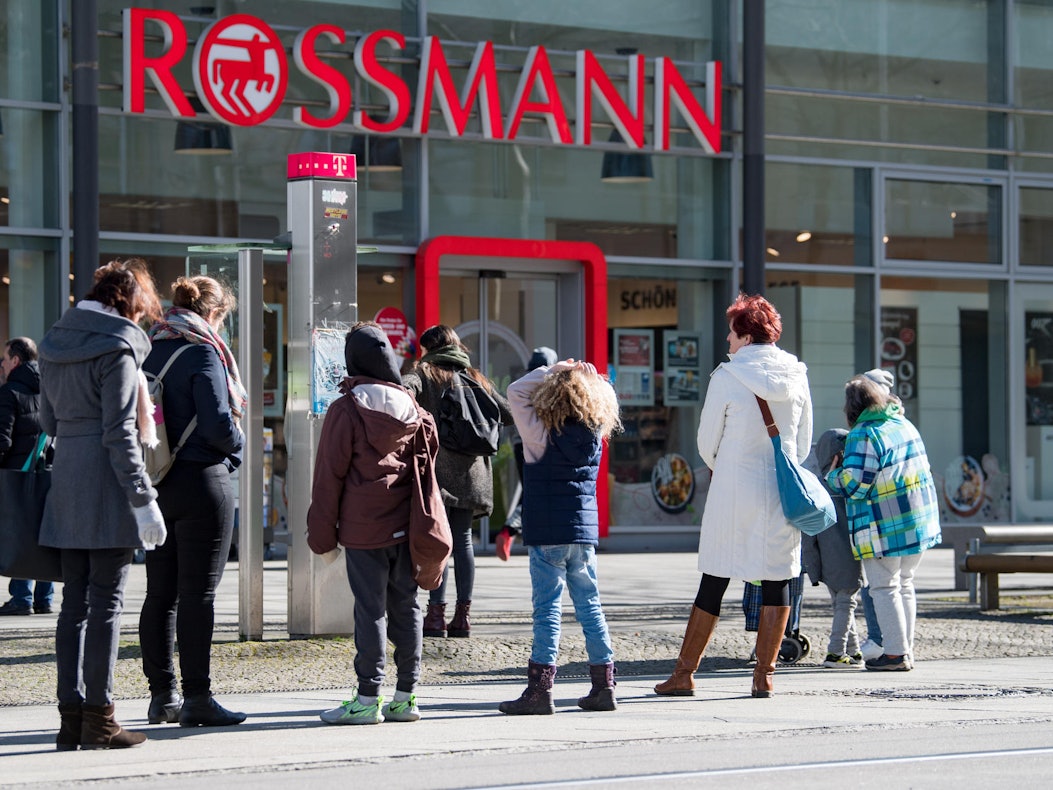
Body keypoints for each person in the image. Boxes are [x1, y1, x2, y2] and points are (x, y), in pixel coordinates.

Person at [654, 293, 813, 699]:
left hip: (733, 489)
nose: (727, 340)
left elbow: (707, 442)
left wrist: (725, 462)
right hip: (779, 490)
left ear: (744, 335)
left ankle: (685, 673)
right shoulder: (797, 375)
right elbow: (805, 443)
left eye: (731, 331)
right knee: (777, 577)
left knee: (715, 576)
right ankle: (764, 676)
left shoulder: (727, 377)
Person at [38, 259, 167, 750]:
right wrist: (143, 499)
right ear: (131, 304)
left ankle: (70, 719)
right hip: (110, 484)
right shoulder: (118, 346)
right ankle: (100, 717)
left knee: (73, 606)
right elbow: (119, 432)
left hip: (67, 478)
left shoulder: (55, 342)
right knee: (106, 605)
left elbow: (49, 421)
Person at [308, 322, 438, 724]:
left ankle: (367, 700)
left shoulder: (346, 410)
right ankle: (406, 697)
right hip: (408, 525)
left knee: (370, 611)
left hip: (364, 528)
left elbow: (328, 477)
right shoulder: (417, 412)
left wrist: (321, 536)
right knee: (407, 607)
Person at [138, 276, 247, 728]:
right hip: (203, 481)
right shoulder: (204, 350)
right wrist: (238, 446)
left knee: (159, 594)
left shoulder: (151, 347)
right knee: (197, 594)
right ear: (215, 313)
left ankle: (162, 695)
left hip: (157, 481)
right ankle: (198, 699)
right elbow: (219, 423)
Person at [500, 359, 622, 715]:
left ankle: (540, 690)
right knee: (590, 606)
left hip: (547, 531)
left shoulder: (539, 432)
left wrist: (553, 369)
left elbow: (515, 391)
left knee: (547, 610)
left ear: (550, 397)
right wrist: (591, 378)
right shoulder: (596, 431)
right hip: (582, 533)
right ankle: (604, 685)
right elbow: (608, 398)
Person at [826, 374, 942, 671]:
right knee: (905, 583)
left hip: (883, 527)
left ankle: (895, 653)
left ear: (853, 407)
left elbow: (856, 484)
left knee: (884, 588)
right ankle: (905, 649)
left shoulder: (864, 433)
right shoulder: (903, 424)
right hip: (917, 520)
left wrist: (833, 475)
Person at [402, 325, 511, 638]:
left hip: (439, 472)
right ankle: (463, 617)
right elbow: (507, 413)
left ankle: (435, 614)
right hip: (474, 472)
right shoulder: (476, 377)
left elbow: (405, 388)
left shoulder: (425, 373)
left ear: (429, 348)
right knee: (463, 540)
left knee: (440, 541)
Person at [0, 337, 55, 617]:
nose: (2, 365)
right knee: (42, 533)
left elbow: (2, 440)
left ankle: (21, 597)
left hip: (16, 474)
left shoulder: (9, 393)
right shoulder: (49, 389)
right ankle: (44, 598)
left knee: (19, 534)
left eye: (4, 359)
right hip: (47, 473)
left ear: (16, 361)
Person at [802, 428, 865, 668]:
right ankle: (835, 652)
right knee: (847, 602)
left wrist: (814, 566)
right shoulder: (845, 487)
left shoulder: (816, 488)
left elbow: (810, 535)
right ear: (841, 456)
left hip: (826, 560)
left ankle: (854, 650)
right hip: (847, 556)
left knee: (840, 602)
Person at [494, 346, 558, 561]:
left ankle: (512, 531)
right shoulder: (549, 385)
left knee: (529, 491)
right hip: (541, 444)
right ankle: (512, 530)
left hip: (518, 444)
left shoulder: (522, 384)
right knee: (537, 492)